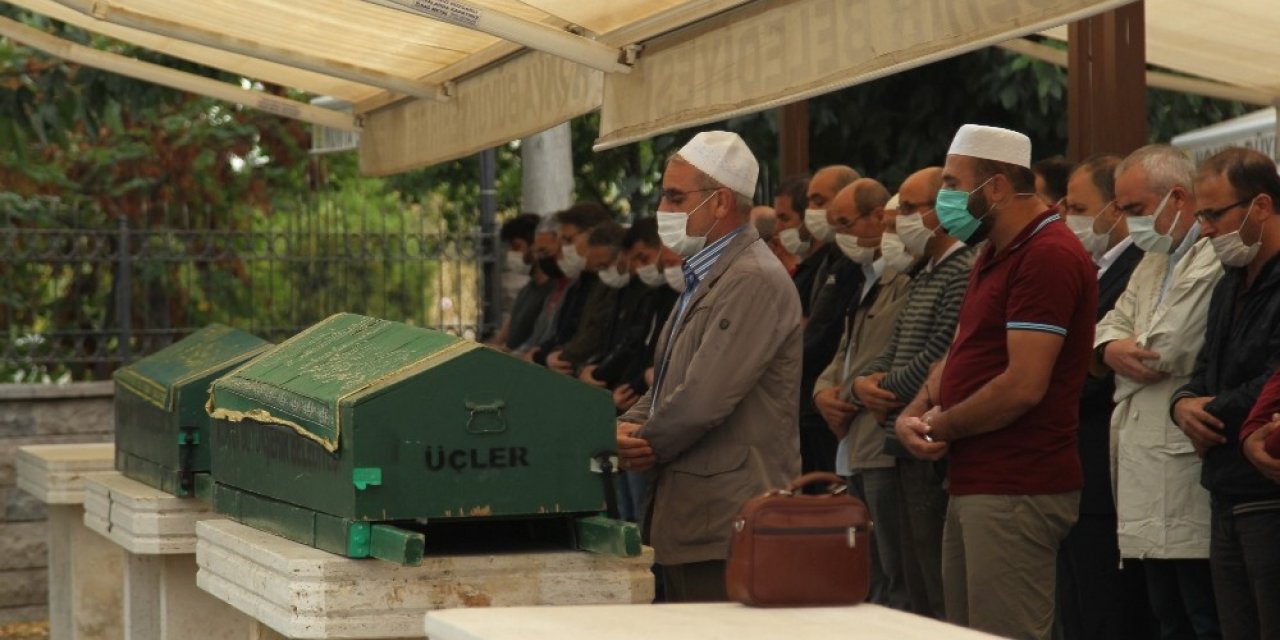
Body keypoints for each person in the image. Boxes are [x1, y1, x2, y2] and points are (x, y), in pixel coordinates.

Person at [895, 124, 1097, 640]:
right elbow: (962, 352)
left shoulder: (1047, 254)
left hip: (1016, 486)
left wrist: (942, 426)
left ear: (999, 188)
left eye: (952, 183)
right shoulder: (993, 252)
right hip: (977, 481)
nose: (944, 200)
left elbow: (1023, 385)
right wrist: (914, 411)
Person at [616, 131, 802, 603]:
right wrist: (619, 428)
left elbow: (700, 402)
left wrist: (644, 445)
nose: (663, 207)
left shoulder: (751, 279)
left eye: (675, 196)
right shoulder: (706, 278)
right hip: (696, 519)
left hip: (727, 523)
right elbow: (666, 389)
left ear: (720, 203)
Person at [1092, 145, 1221, 640]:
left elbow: (1167, 349)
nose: (1125, 222)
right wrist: (1108, 349)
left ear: (1178, 197)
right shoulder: (1153, 257)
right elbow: (1107, 327)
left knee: (1201, 616)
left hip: (1184, 462)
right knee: (1166, 615)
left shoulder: (1211, 254)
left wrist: (1113, 351)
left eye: (1134, 209)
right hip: (1141, 459)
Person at [855, 166, 978, 619]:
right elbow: (889, 352)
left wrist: (877, 389)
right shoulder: (922, 274)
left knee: (935, 583)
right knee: (914, 580)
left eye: (908, 208)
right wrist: (860, 383)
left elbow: (936, 360)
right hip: (899, 440)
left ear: (942, 212)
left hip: (928, 443)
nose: (900, 218)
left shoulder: (962, 270)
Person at [1171, 146, 1280, 640]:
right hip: (1223, 491)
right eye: (1200, 216)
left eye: (1214, 214)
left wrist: (1206, 410)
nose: (1206, 229)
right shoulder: (1228, 282)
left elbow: (1274, 380)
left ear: (1260, 206)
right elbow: (1202, 370)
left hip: (1267, 490)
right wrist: (1181, 406)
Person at [811, 177, 912, 609]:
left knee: (896, 575)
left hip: (880, 439)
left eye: (846, 222)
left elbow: (895, 356)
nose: (840, 236)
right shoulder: (865, 276)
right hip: (852, 443)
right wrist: (820, 393)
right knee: (863, 573)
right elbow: (843, 352)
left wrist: (847, 392)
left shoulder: (905, 278)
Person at [798, 166, 865, 484]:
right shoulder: (830, 257)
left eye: (818, 200)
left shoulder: (855, 258)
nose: (811, 211)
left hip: (837, 408)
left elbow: (824, 333)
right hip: (812, 404)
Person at [774, 175, 815, 284]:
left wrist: (791, 268)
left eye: (784, 218)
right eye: (776, 219)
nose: (777, 228)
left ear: (807, 219)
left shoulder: (828, 267)